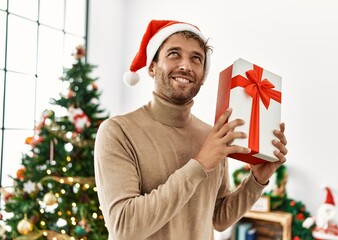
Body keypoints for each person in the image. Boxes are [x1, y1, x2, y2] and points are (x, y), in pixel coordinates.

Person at [94, 19, 288, 240]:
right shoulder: (118, 131)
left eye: (196, 58)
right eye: (174, 54)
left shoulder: (213, 136)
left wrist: (257, 181)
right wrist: (199, 165)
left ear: (203, 75)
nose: (185, 65)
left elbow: (218, 219)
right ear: (152, 66)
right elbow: (124, 227)